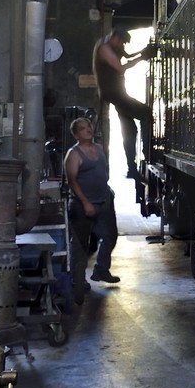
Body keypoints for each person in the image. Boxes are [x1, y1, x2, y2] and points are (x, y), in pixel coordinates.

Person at [63, 115, 120, 303]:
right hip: (82, 206)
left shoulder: (98, 149)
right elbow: (71, 182)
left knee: (110, 236)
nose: (88, 129)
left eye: (89, 126)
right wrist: (86, 202)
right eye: (83, 128)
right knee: (81, 246)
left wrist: (107, 190)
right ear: (76, 134)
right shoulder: (74, 154)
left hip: (103, 202)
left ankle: (101, 270)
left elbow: (102, 172)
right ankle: (78, 281)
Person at [92, 23, 150, 180]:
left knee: (129, 130)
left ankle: (132, 168)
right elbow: (120, 68)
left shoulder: (112, 46)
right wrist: (142, 58)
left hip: (116, 93)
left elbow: (128, 55)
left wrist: (142, 52)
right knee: (146, 113)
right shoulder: (104, 49)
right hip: (114, 93)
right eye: (122, 42)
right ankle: (149, 152)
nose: (122, 46)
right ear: (115, 38)